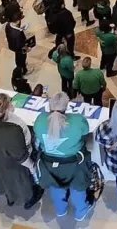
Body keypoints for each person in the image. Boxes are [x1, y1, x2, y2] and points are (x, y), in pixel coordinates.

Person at [35, 91, 94, 220]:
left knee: (56, 187)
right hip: (74, 163)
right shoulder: (77, 120)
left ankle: (60, 210)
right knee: (78, 188)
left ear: (49, 106)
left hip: (49, 163)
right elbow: (86, 131)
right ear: (66, 106)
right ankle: (80, 211)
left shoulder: (40, 119)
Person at [0, 93, 43, 208]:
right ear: (8, 107)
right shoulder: (14, 128)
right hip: (13, 163)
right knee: (21, 182)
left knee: (4, 181)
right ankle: (28, 199)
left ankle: (11, 198)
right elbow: (21, 155)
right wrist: (32, 166)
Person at [4, 3, 32, 77]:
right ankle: (24, 70)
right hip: (19, 49)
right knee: (22, 59)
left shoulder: (8, 25)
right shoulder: (18, 33)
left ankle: (20, 66)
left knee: (18, 57)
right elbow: (21, 45)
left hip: (13, 46)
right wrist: (27, 48)